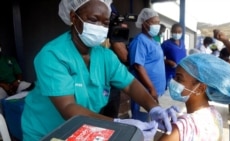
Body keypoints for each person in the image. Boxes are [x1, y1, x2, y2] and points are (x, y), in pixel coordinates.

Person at [21, 1, 179, 140]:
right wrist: (118, 124)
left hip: (84, 128)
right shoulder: (53, 55)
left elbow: (130, 85)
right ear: (73, 18)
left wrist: (154, 108)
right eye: (93, 20)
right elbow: (68, 107)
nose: (100, 27)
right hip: (48, 132)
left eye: (105, 23)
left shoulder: (105, 56)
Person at [157, 53, 230, 141]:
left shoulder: (182, 128)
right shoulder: (215, 115)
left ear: (200, 88)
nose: (173, 81)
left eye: (179, 79)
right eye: (175, 77)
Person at [128, 8, 166, 122]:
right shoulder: (140, 41)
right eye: (155, 23)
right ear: (145, 24)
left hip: (153, 91)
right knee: (142, 121)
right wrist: (151, 88)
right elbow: (138, 66)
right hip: (145, 90)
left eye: (158, 23)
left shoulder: (153, 40)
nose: (158, 26)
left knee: (151, 120)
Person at [161, 23, 186, 90]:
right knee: (168, 94)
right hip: (169, 73)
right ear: (171, 32)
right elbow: (158, 58)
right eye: (175, 32)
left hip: (181, 73)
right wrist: (167, 61)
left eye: (179, 32)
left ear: (182, 32)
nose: (177, 34)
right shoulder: (166, 44)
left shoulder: (182, 42)